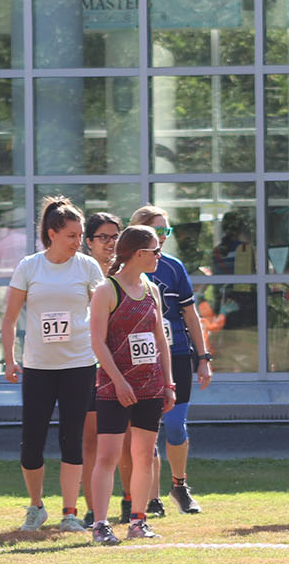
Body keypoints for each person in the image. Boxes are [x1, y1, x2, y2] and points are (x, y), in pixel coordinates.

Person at [2, 196, 104, 533]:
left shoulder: (88, 267)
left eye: (80, 235)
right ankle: (35, 507)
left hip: (79, 364)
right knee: (31, 440)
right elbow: (9, 318)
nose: (79, 242)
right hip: (38, 367)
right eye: (72, 236)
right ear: (52, 234)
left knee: (71, 439)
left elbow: (103, 314)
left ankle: (70, 512)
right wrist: (10, 359)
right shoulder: (30, 266)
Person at [87, 225, 178, 545]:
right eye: (155, 251)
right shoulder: (106, 290)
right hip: (114, 386)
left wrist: (168, 383)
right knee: (108, 455)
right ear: (139, 253)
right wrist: (118, 381)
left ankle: (138, 519)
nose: (158, 257)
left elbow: (160, 341)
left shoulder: (152, 288)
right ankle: (100, 523)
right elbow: (97, 342)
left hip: (150, 384)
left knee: (144, 454)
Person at [125, 205, 214, 519]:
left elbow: (190, 314)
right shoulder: (122, 269)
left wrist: (203, 358)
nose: (163, 238)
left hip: (176, 354)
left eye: (167, 231)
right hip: (138, 357)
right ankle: (151, 499)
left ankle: (179, 484)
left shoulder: (174, 268)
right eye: (158, 231)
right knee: (146, 430)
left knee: (175, 426)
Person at [79, 211, 123, 527]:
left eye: (114, 236)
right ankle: (94, 509)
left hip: (126, 365)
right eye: (103, 237)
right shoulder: (80, 271)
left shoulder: (131, 271)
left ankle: (135, 504)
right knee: (92, 439)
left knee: (130, 440)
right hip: (89, 363)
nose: (110, 243)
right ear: (89, 242)